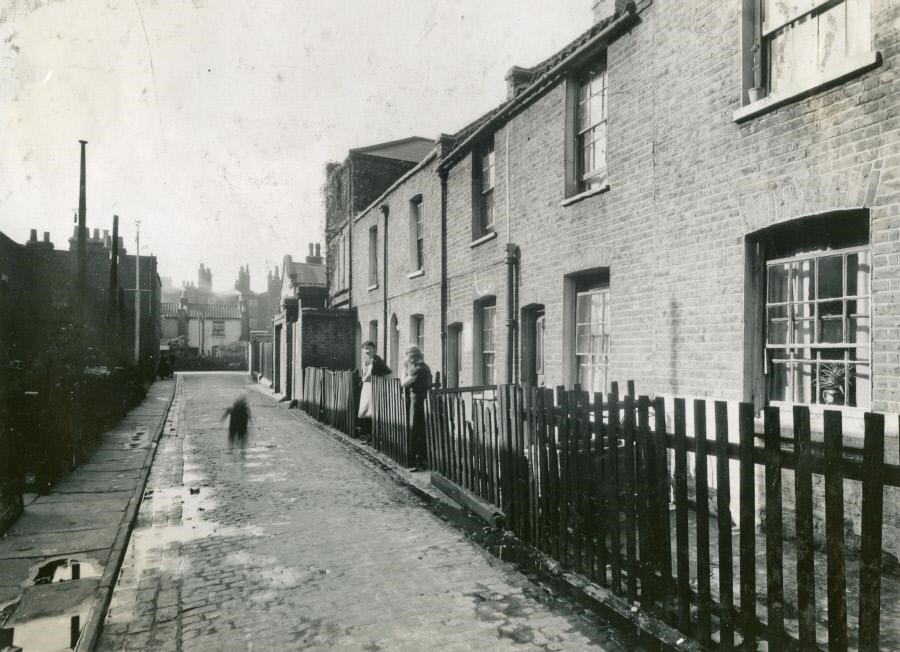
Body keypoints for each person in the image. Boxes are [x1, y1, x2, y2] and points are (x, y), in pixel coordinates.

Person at [401, 345, 432, 471]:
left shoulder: (417, 370)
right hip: (422, 399)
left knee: (415, 430)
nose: (407, 360)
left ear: (411, 357)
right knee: (420, 430)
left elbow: (403, 383)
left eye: (407, 357)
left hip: (417, 401)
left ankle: (418, 462)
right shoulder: (424, 367)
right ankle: (421, 461)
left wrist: (404, 368)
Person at [357, 340, 390, 442]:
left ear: (374, 350)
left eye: (369, 348)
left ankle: (371, 436)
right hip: (366, 387)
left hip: (374, 386)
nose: (367, 351)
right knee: (364, 411)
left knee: (371, 411)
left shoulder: (377, 360)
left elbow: (387, 371)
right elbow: (364, 374)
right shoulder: (365, 360)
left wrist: (378, 378)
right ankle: (366, 435)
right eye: (365, 348)